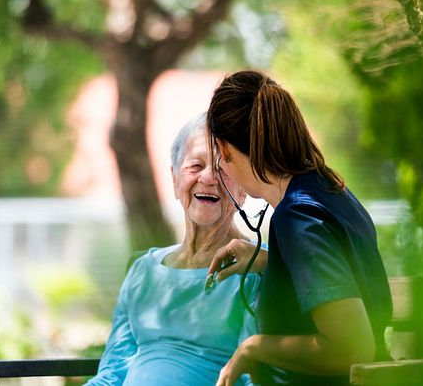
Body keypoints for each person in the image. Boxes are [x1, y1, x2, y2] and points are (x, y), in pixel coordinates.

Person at [206, 70, 393, 386]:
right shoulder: (329, 190)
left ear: (224, 150)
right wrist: (269, 261)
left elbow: (353, 347)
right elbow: (343, 272)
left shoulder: (297, 218)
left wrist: (253, 348)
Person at [85, 114, 260, 386]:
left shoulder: (258, 266)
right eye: (196, 165)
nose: (209, 177)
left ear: (244, 188)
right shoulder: (143, 271)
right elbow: (113, 373)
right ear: (175, 178)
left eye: (222, 168)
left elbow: (253, 379)